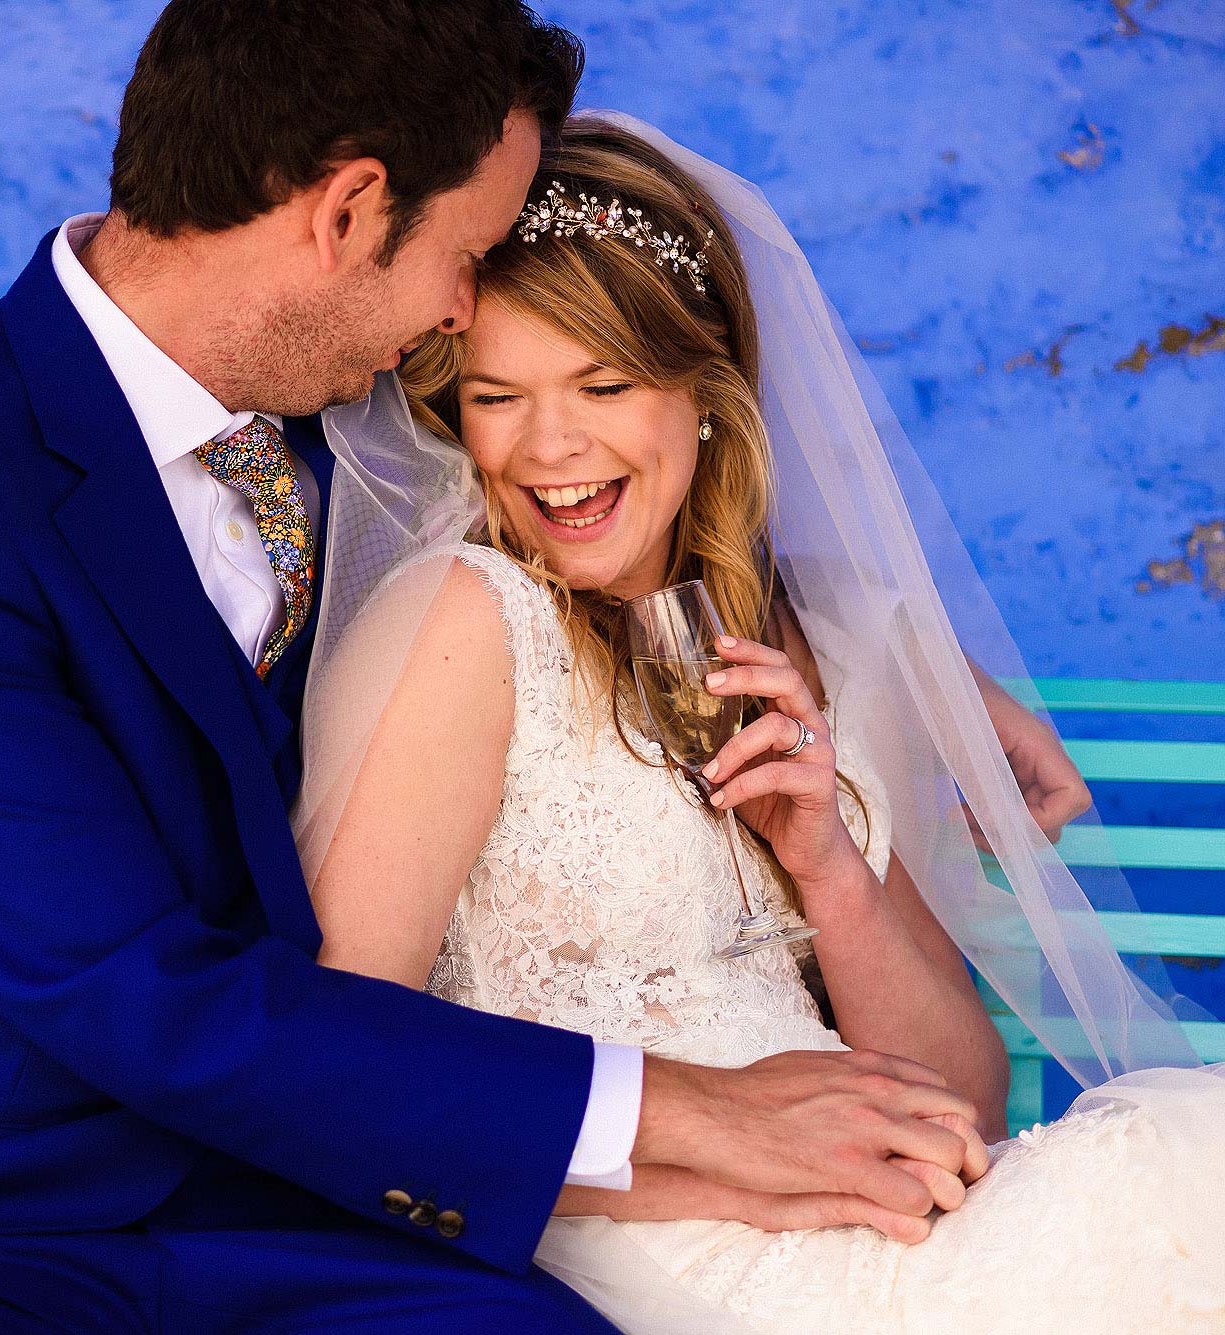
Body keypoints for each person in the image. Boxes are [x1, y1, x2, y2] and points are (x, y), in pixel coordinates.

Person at [298, 112, 1225, 1333]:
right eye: (494, 396)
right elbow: (333, 1081)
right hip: (671, 1262)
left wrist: (827, 865)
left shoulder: (771, 642)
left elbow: (963, 1099)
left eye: (602, 383)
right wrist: (720, 1159)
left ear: (703, 394)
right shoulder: (470, 622)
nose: (550, 446)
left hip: (885, 1225)